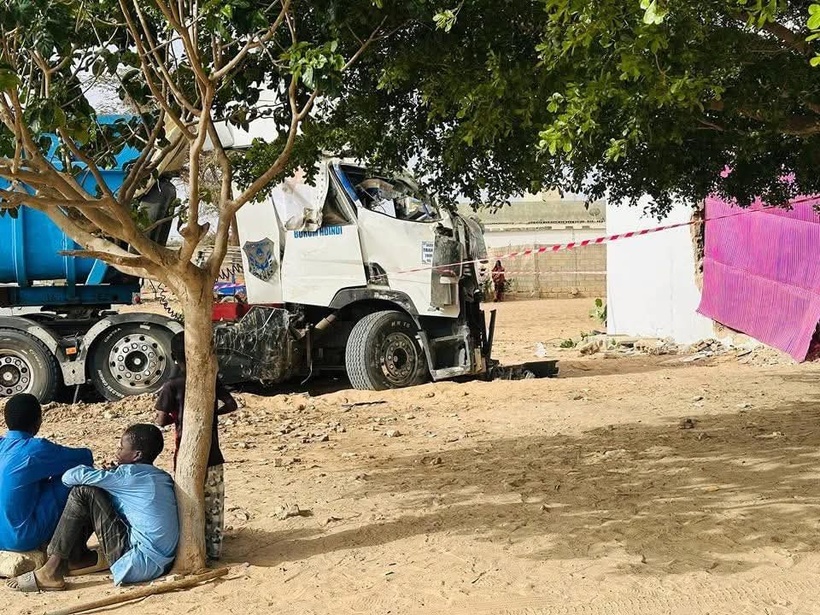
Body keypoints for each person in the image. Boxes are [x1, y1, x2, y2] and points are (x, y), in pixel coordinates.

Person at [7, 424, 179, 592]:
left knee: (83, 492)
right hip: (162, 561)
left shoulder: (127, 475)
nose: (117, 451)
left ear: (136, 455)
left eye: (121, 448)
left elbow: (69, 477)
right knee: (99, 494)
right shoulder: (160, 476)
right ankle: (76, 558)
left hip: (137, 564)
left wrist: (100, 474)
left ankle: (51, 570)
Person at [155, 333, 237, 561]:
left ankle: (192, 545)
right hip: (213, 454)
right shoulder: (210, 378)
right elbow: (231, 404)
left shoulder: (171, 385)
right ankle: (214, 550)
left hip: (186, 455)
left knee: (189, 502)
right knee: (214, 504)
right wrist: (208, 414)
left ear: (173, 356)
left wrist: (180, 418)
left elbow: (160, 420)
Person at [0, 394, 93, 553]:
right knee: (76, 475)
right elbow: (85, 457)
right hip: (21, 538)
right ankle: (75, 553)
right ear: (38, 422)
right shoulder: (36, 449)